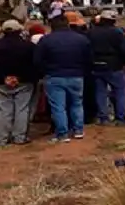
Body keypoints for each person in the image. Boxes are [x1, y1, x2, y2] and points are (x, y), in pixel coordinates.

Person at [35, 13, 92, 142]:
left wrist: (45, 71)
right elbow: (89, 59)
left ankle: (62, 134)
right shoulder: (81, 39)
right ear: (68, 24)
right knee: (77, 104)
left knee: (58, 107)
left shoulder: (46, 40)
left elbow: (37, 60)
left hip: (54, 76)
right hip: (76, 76)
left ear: (52, 26)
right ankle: (78, 130)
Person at [0, 20, 36, 146]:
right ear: (19, 30)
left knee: (2, 110)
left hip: (1, 83)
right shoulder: (29, 46)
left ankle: (0, 139)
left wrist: (3, 78)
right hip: (24, 82)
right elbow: (34, 65)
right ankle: (19, 137)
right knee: (22, 109)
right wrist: (20, 77)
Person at [87, 10, 125, 125]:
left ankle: (103, 118)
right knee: (120, 91)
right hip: (114, 66)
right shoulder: (117, 32)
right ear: (113, 20)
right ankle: (120, 118)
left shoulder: (91, 32)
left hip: (96, 65)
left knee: (100, 92)